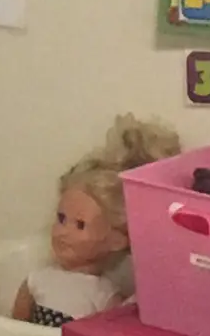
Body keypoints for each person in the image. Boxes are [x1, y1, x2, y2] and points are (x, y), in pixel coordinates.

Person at [13, 112, 178, 323]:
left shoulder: (103, 294)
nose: (63, 231)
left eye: (79, 225)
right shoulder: (38, 279)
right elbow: (12, 329)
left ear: (116, 240)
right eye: (61, 219)